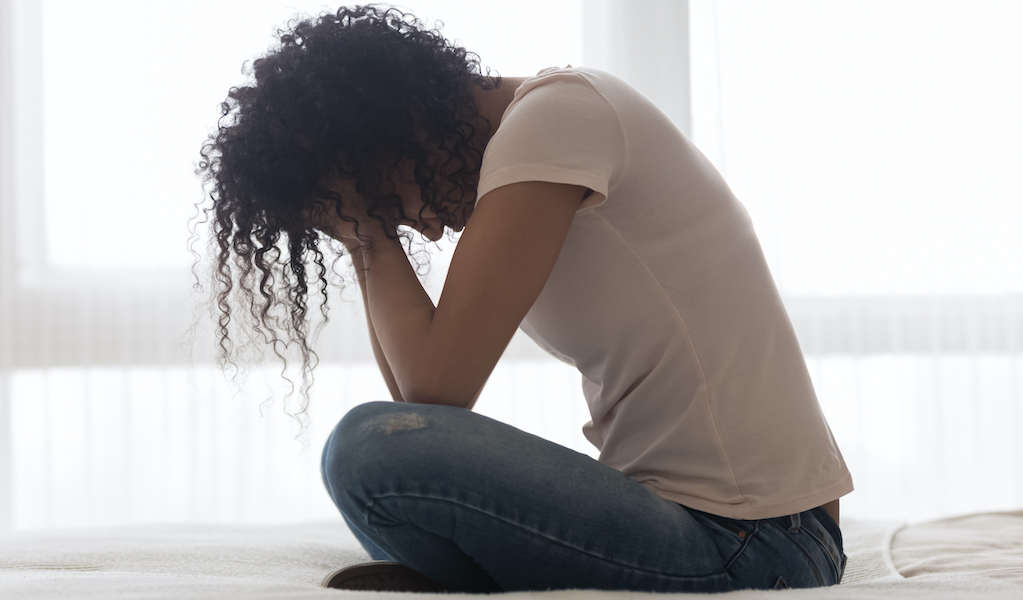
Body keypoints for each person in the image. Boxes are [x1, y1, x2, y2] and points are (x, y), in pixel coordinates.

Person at [198, 4, 852, 594]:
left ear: (396, 130)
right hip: (719, 529)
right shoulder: (538, 139)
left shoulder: (557, 119)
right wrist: (361, 232)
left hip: (761, 541)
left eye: (393, 199)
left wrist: (367, 234)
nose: (424, 228)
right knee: (378, 461)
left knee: (366, 450)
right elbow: (419, 407)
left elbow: (434, 392)